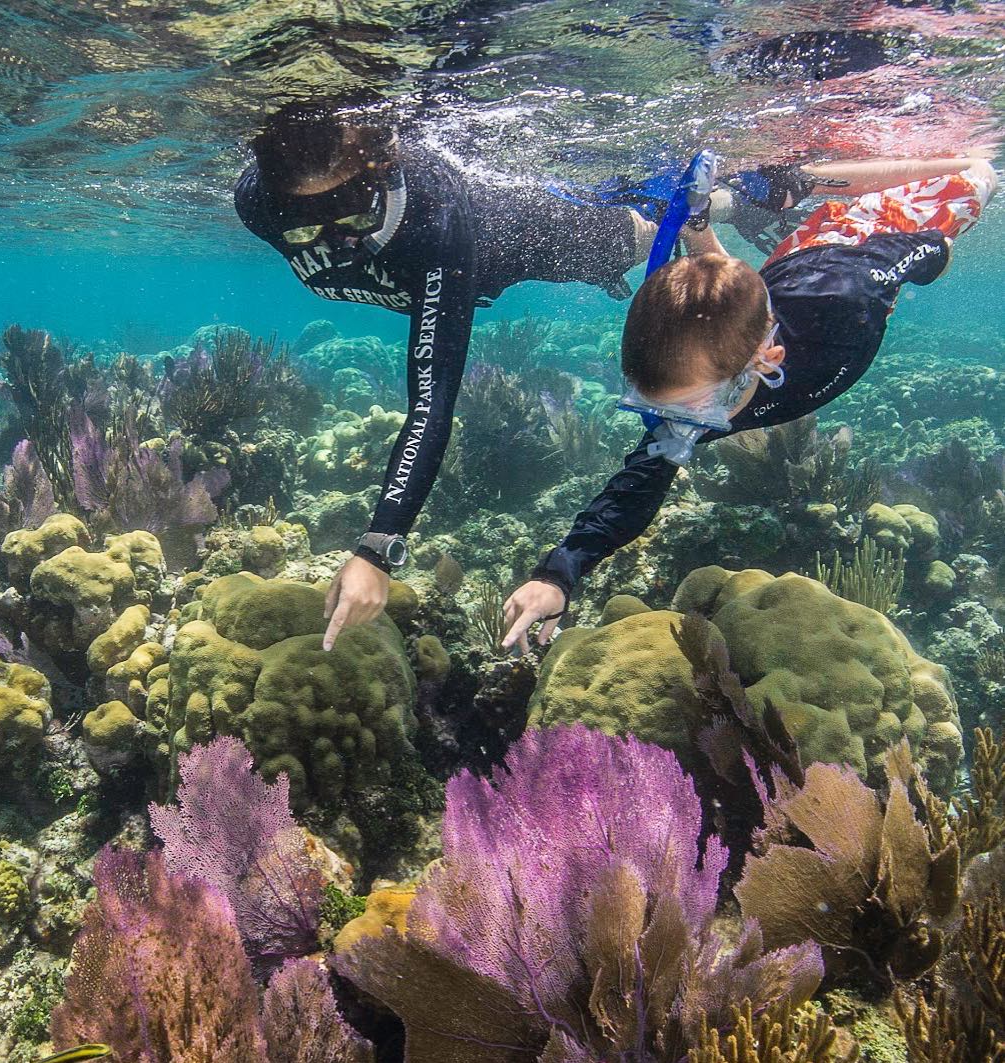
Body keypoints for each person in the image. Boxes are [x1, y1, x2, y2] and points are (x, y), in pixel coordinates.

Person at [234, 103, 792, 650]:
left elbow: (431, 402)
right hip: (441, 261)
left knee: (637, 232)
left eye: (356, 220)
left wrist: (379, 547)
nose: (339, 245)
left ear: (382, 178)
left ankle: (723, 200)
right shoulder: (255, 206)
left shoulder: (433, 216)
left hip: (513, 232)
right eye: (307, 234)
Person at [500, 154, 999, 652]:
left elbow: (929, 252)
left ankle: (791, 182)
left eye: (701, 405)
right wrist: (557, 575)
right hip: (783, 270)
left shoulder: (850, 300)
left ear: (770, 362)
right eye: (665, 409)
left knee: (980, 176)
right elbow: (633, 490)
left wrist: (935, 252)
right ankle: (703, 216)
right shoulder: (697, 399)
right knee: (747, 290)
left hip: (860, 252)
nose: (685, 428)